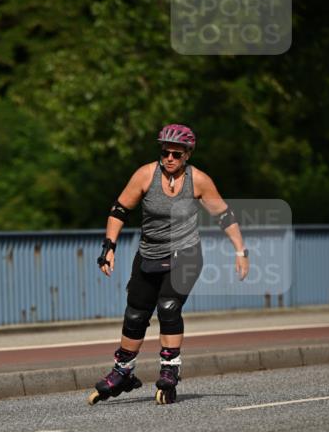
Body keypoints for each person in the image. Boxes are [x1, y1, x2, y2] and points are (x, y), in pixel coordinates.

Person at [88, 123, 249, 405]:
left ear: (188, 154)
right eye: (165, 153)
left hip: (186, 254)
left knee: (168, 306)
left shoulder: (198, 180)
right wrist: (109, 247)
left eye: (176, 153)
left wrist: (240, 251)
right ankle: (124, 370)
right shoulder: (145, 175)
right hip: (149, 252)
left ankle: (169, 370)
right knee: (136, 313)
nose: (170, 159)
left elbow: (224, 215)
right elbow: (119, 210)